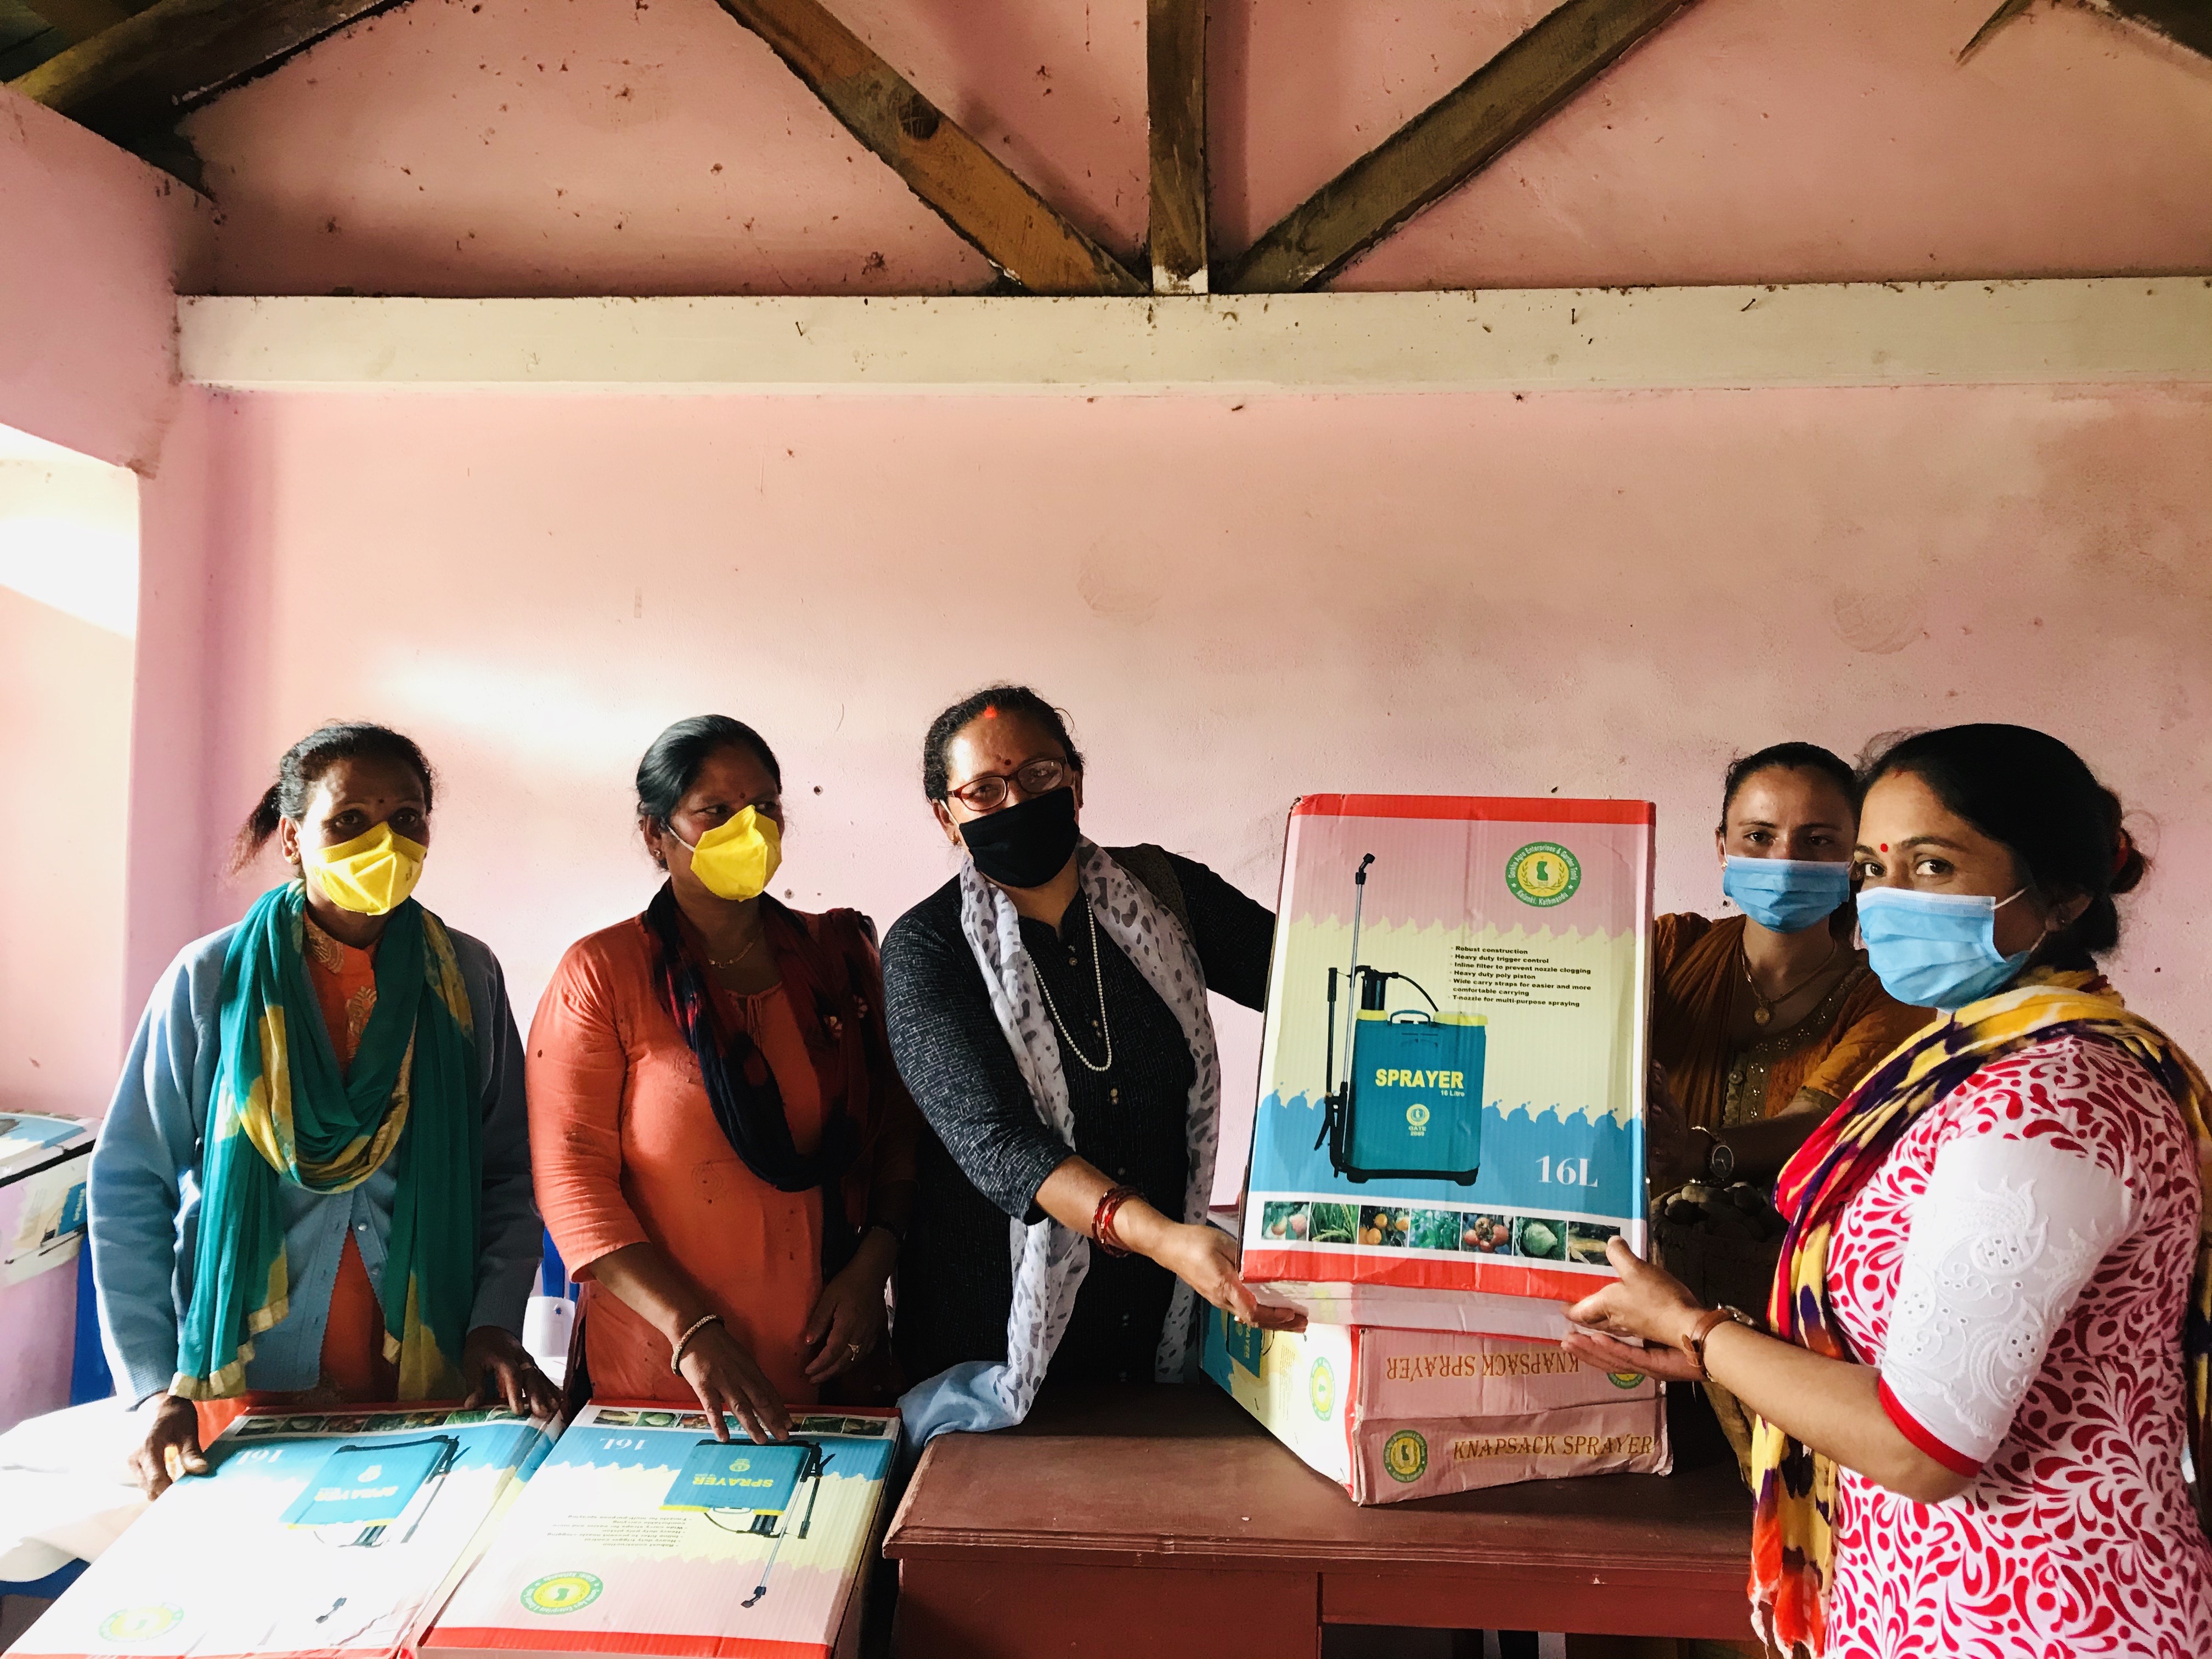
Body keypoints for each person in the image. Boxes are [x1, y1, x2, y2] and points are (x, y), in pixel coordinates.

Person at [1564, 724, 2212, 1657]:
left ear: (2063, 894)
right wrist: (1717, 1350)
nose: (1887, 897)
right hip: (1941, 1597)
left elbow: (1921, 1446)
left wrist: (1697, 1329)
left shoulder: (2047, 1099)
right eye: (1873, 867)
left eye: (1933, 864)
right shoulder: (1962, 1069)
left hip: (2044, 1611)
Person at [90, 724, 554, 1498]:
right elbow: (129, 1186)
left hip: (427, 1373)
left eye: (407, 819)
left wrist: (494, 1323)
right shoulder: (212, 981)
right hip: (244, 1380)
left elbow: (507, 1174)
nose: (385, 842)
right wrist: (151, 1389)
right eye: (350, 821)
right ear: (293, 839)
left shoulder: (466, 977)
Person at [881, 684, 1300, 1443]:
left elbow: (1314, 985)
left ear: (1075, 782)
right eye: (985, 790)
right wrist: (1164, 1238)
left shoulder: (1164, 895)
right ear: (947, 817)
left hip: (1158, 1335)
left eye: (1039, 774)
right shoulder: (927, 949)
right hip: (997, 1352)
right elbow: (999, 1145)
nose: (1017, 801)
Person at [528, 716, 918, 1446]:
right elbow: (572, 1184)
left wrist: (873, 1270)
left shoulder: (837, 960)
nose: (751, 830)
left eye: (765, 807)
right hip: (666, 1367)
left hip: (831, 1354)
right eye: (717, 811)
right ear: (656, 834)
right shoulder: (603, 974)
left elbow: (895, 1132)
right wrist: (691, 1330)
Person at [1646, 742, 1930, 1189]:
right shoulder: (1666, 947)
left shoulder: (1892, 995)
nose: (1785, 861)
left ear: (1855, 860)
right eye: (1760, 837)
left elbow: (1821, 1122)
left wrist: (1694, 1153)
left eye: (1817, 841)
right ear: (1722, 848)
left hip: (1800, 1233)